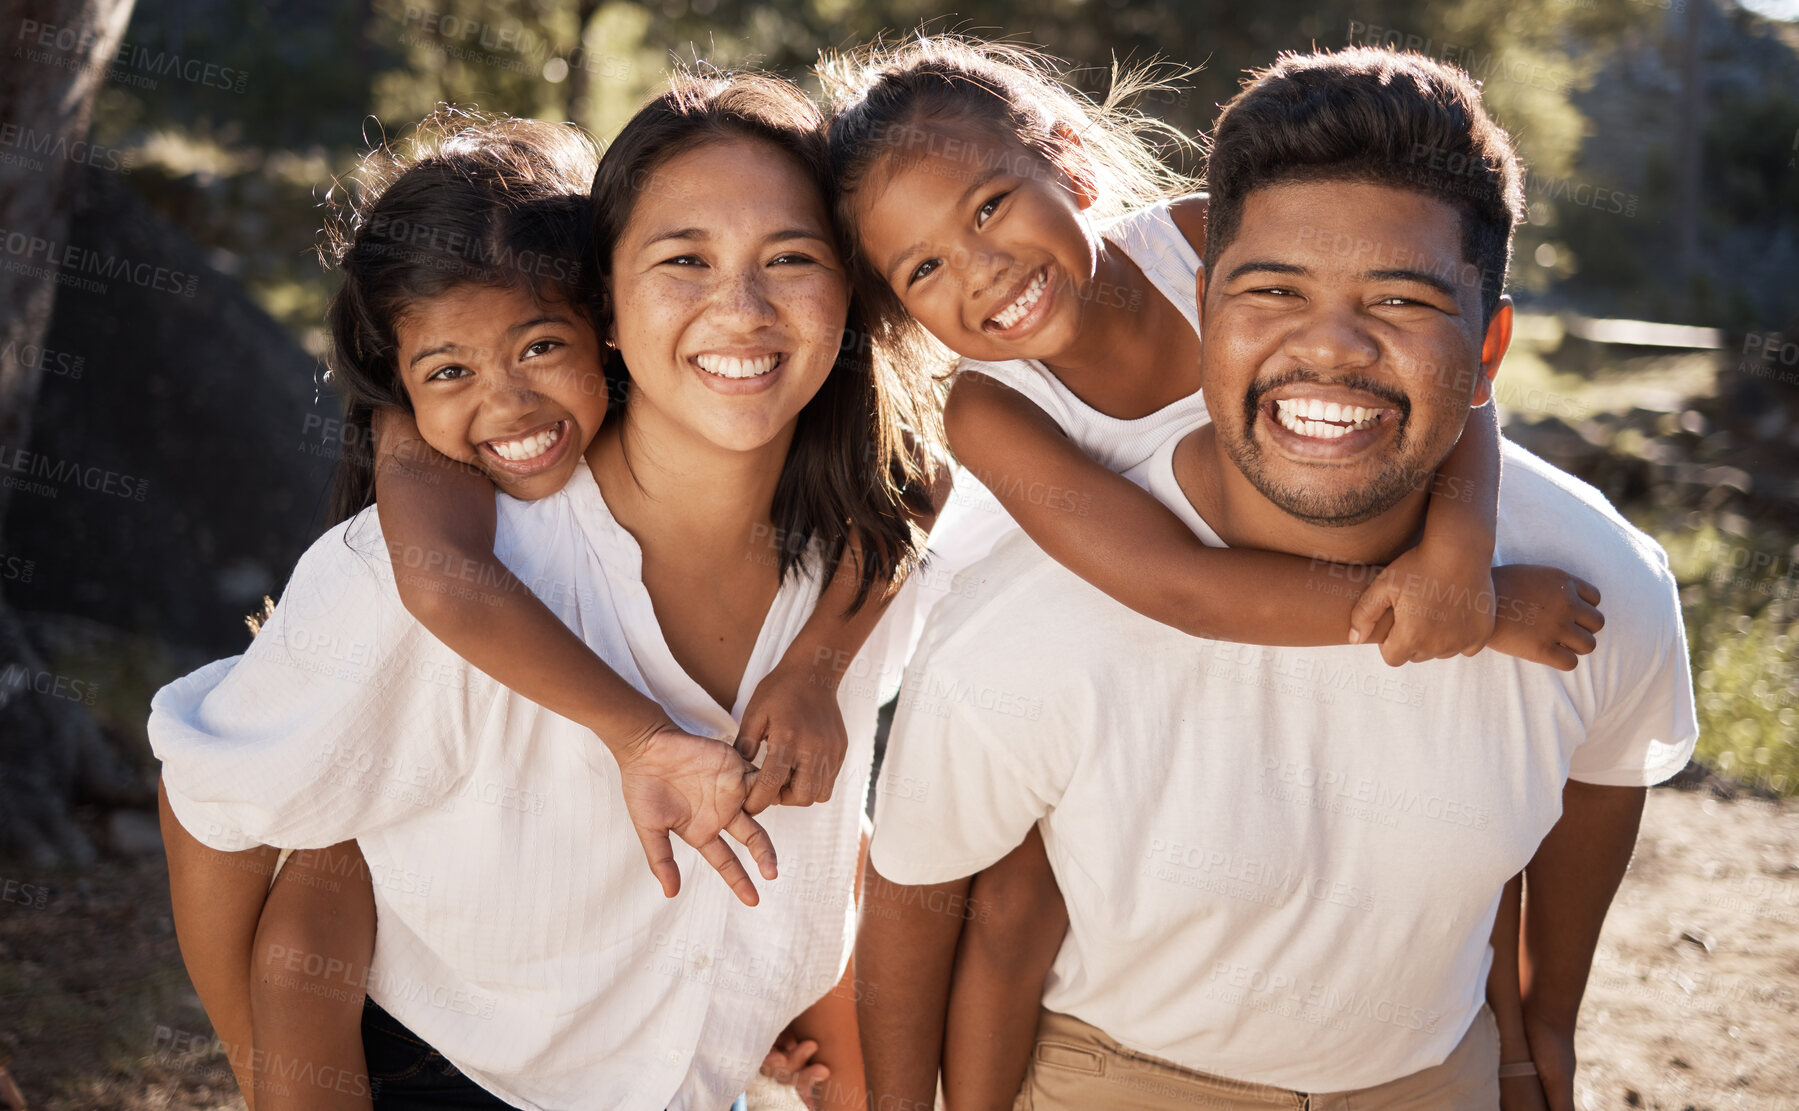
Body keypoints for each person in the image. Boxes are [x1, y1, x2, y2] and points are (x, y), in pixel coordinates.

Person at [857, 46, 1697, 1111]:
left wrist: (1458, 548)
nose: (975, 270)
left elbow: (1453, 366)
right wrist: (1467, 620)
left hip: (1332, 521)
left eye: (986, 208)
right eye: (919, 269)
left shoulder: (1216, 228)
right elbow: (1178, 588)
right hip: (1130, 568)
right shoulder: (990, 410)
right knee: (1021, 886)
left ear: (1069, 162)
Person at [152, 73, 940, 1110]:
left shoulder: (868, 556)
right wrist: (265, 1076)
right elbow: (213, 805)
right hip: (446, 1077)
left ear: (850, 293)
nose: (740, 308)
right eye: (683, 260)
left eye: (789, 258)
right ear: (604, 304)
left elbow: (829, 849)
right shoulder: (419, 573)